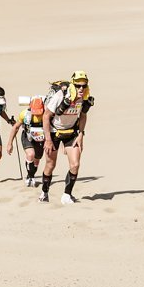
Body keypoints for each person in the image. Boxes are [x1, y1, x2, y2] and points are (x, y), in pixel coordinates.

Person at [39, 71, 94, 203]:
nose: (81, 88)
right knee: (50, 164)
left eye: (84, 85)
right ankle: (44, 192)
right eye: (78, 85)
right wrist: (47, 139)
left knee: (75, 165)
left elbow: (83, 115)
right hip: (54, 132)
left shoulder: (85, 97)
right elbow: (46, 116)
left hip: (71, 132)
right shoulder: (60, 95)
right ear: (73, 84)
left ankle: (67, 195)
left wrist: (81, 134)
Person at [11, 95, 48, 186]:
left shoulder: (47, 114)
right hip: (27, 136)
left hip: (41, 139)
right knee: (30, 154)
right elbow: (16, 127)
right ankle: (30, 177)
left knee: (37, 159)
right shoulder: (24, 114)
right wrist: (10, 143)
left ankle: (31, 175)